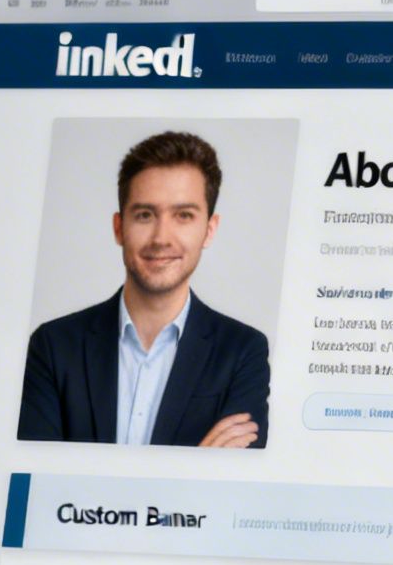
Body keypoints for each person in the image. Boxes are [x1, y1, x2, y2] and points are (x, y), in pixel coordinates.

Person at [19, 131, 271, 448]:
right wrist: (196, 464)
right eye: (145, 215)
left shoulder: (242, 352)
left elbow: (233, 488)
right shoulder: (53, 346)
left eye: (183, 216)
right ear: (118, 227)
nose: (161, 238)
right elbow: (41, 482)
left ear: (209, 230)